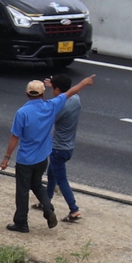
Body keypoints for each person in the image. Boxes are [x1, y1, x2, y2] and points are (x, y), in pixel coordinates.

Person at [0, 73, 93, 232]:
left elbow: (15, 137)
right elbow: (69, 92)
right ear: (43, 94)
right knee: (37, 185)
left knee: (22, 191)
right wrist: (84, 82)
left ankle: (21, 222)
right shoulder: (51, 106)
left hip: (25, 160)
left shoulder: (22, 113)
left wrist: (6, 157)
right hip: (42, 158)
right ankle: (48, 209)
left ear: (27, 94)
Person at [40, 70, 92, 223]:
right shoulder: (75, 99)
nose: (51, 91)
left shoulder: (60, 108)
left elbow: (48, 118)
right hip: (68, 148)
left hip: (58, 149)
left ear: (58, 90)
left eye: (53, 89)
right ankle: (46, 201)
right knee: (52, 174)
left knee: (61, 180)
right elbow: (72, 91)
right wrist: (55, 82)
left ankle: (74, 209)